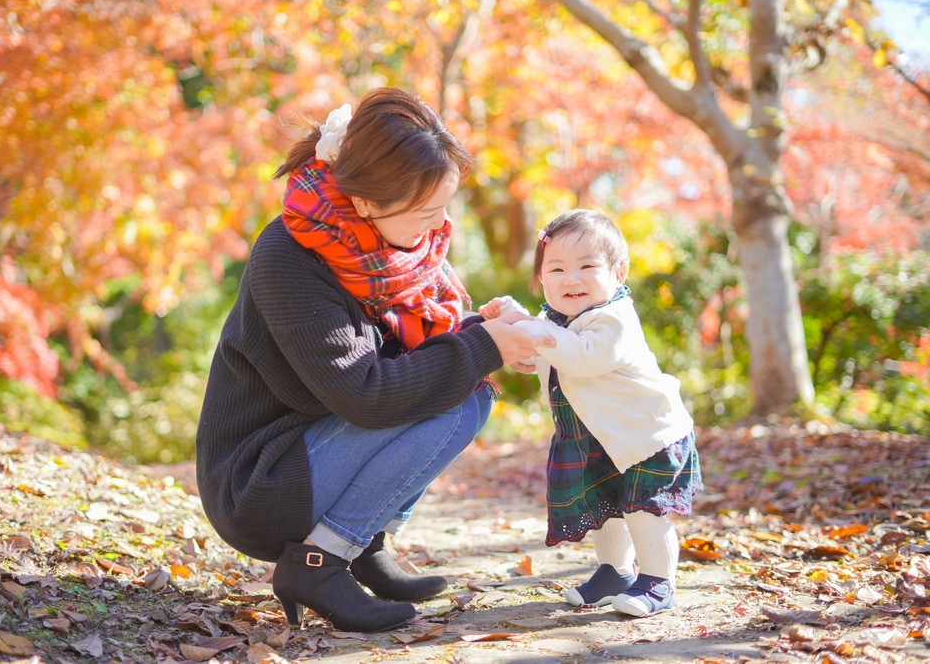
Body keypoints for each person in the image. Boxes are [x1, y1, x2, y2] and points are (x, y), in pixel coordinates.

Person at [195, 87, 548, 633]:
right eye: (426, 211)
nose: (441, 224)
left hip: (315, 442)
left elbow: (408, 356)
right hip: (259, 482)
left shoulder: (386, 249)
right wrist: (485, 346)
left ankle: (363, 542)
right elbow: (365, 394)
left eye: (445, 206)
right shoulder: (291, 257)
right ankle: (320, 561)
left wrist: (487, 331)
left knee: (468, 390)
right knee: (460, 399)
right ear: (365, 202)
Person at [479, 208, 702, 617]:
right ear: (541, 277)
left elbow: (580, 357)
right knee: (606, 507)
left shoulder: (614, 319)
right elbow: (538, 357)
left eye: (587, 266)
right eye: (557, 269)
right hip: (597, 438)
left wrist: (535, 332)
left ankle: (658, 581)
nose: (571, 278)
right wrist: (514, 321)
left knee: (643, 509)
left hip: (645, 436)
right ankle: (615, 572)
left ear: (618, 272)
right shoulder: (555, 321)